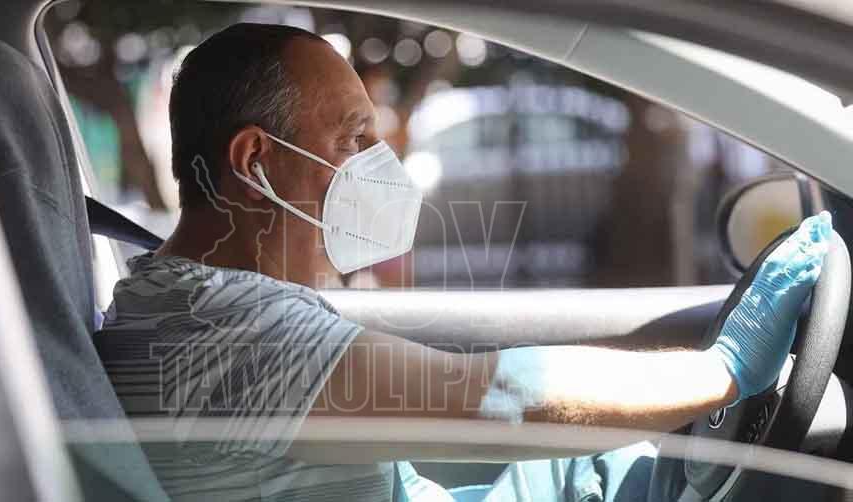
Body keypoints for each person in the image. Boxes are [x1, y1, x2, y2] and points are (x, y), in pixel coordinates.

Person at [94, 23, 833, 502]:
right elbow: (503, 396)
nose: (378, 163)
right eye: (352, 140)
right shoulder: (225, 335)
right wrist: (722, 370)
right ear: (256, 161)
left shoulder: (194, 302)